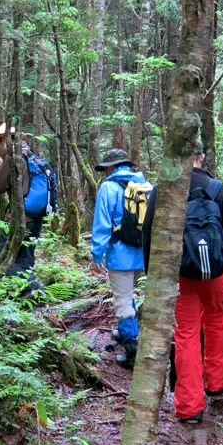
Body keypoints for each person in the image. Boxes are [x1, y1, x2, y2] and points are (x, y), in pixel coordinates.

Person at [143, 140, 223, 424]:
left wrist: (152, 276)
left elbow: (148, 234)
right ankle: (218, 385)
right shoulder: (218, 189)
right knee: (217, 323)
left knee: (186, 334)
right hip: (218, 273)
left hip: (181, 274)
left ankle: (189, 407)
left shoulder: (164, 189)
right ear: (201, 156)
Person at [91, 149, 152, 369]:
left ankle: (132, 349)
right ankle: (127, 329)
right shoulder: (146, 186)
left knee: (123, 301)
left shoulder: (108, 188)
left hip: (120, 255)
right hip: (142, 255)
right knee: (128, 293)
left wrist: (96, 255)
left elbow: (102, 225)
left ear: (110, 167)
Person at [0, 123, 58, 276]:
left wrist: (0, 167)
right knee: (25, 260)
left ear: (4, 139)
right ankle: (30, 294)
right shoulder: (30, 154)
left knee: (1, 258)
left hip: (18, 217)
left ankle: (32, 288)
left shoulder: (13, 156)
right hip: (36, 218)